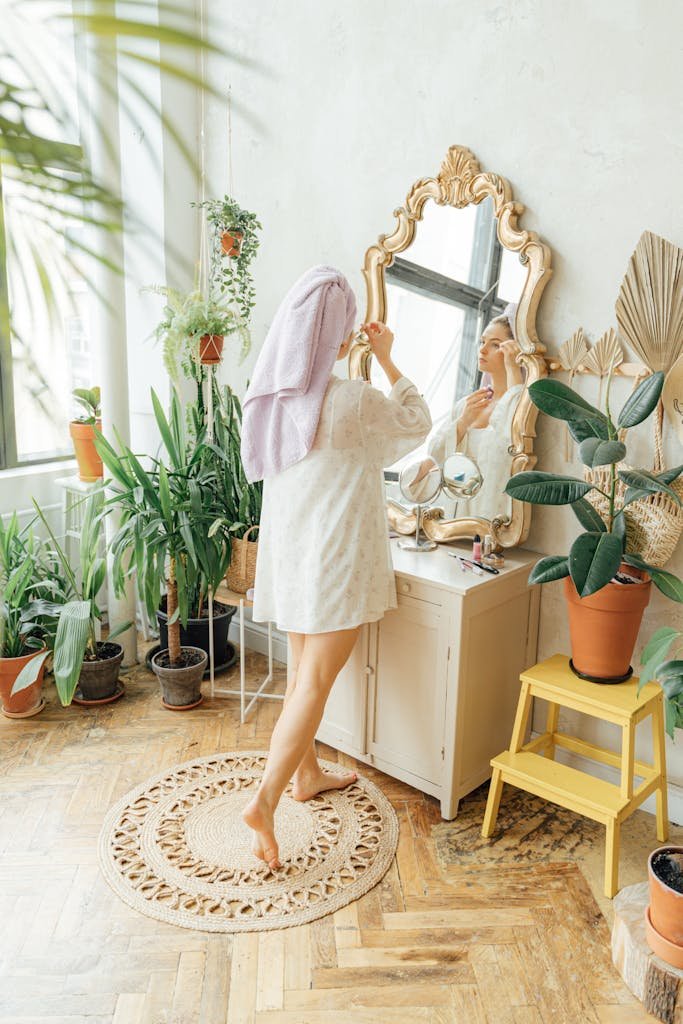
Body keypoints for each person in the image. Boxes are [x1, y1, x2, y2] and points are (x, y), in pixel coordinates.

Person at [239, 265, 432, 870]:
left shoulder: (276, 401)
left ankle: (308, 776)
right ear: (338, 332)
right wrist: (389, 358)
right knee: (315, 686)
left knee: (301, 677)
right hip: (336, 562)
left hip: (292, 561)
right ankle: (265, 801)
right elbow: (418, 424)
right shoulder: (354, 399)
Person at [427, 306, 523, 520]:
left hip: (492, 521)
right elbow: (435, 455)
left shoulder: (520, 405)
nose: (482, 350)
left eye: (495, 344)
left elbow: (512, 449)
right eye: (482, 342)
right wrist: (462, 423)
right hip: (453, 521)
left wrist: (514, 369)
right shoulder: (468, 405)